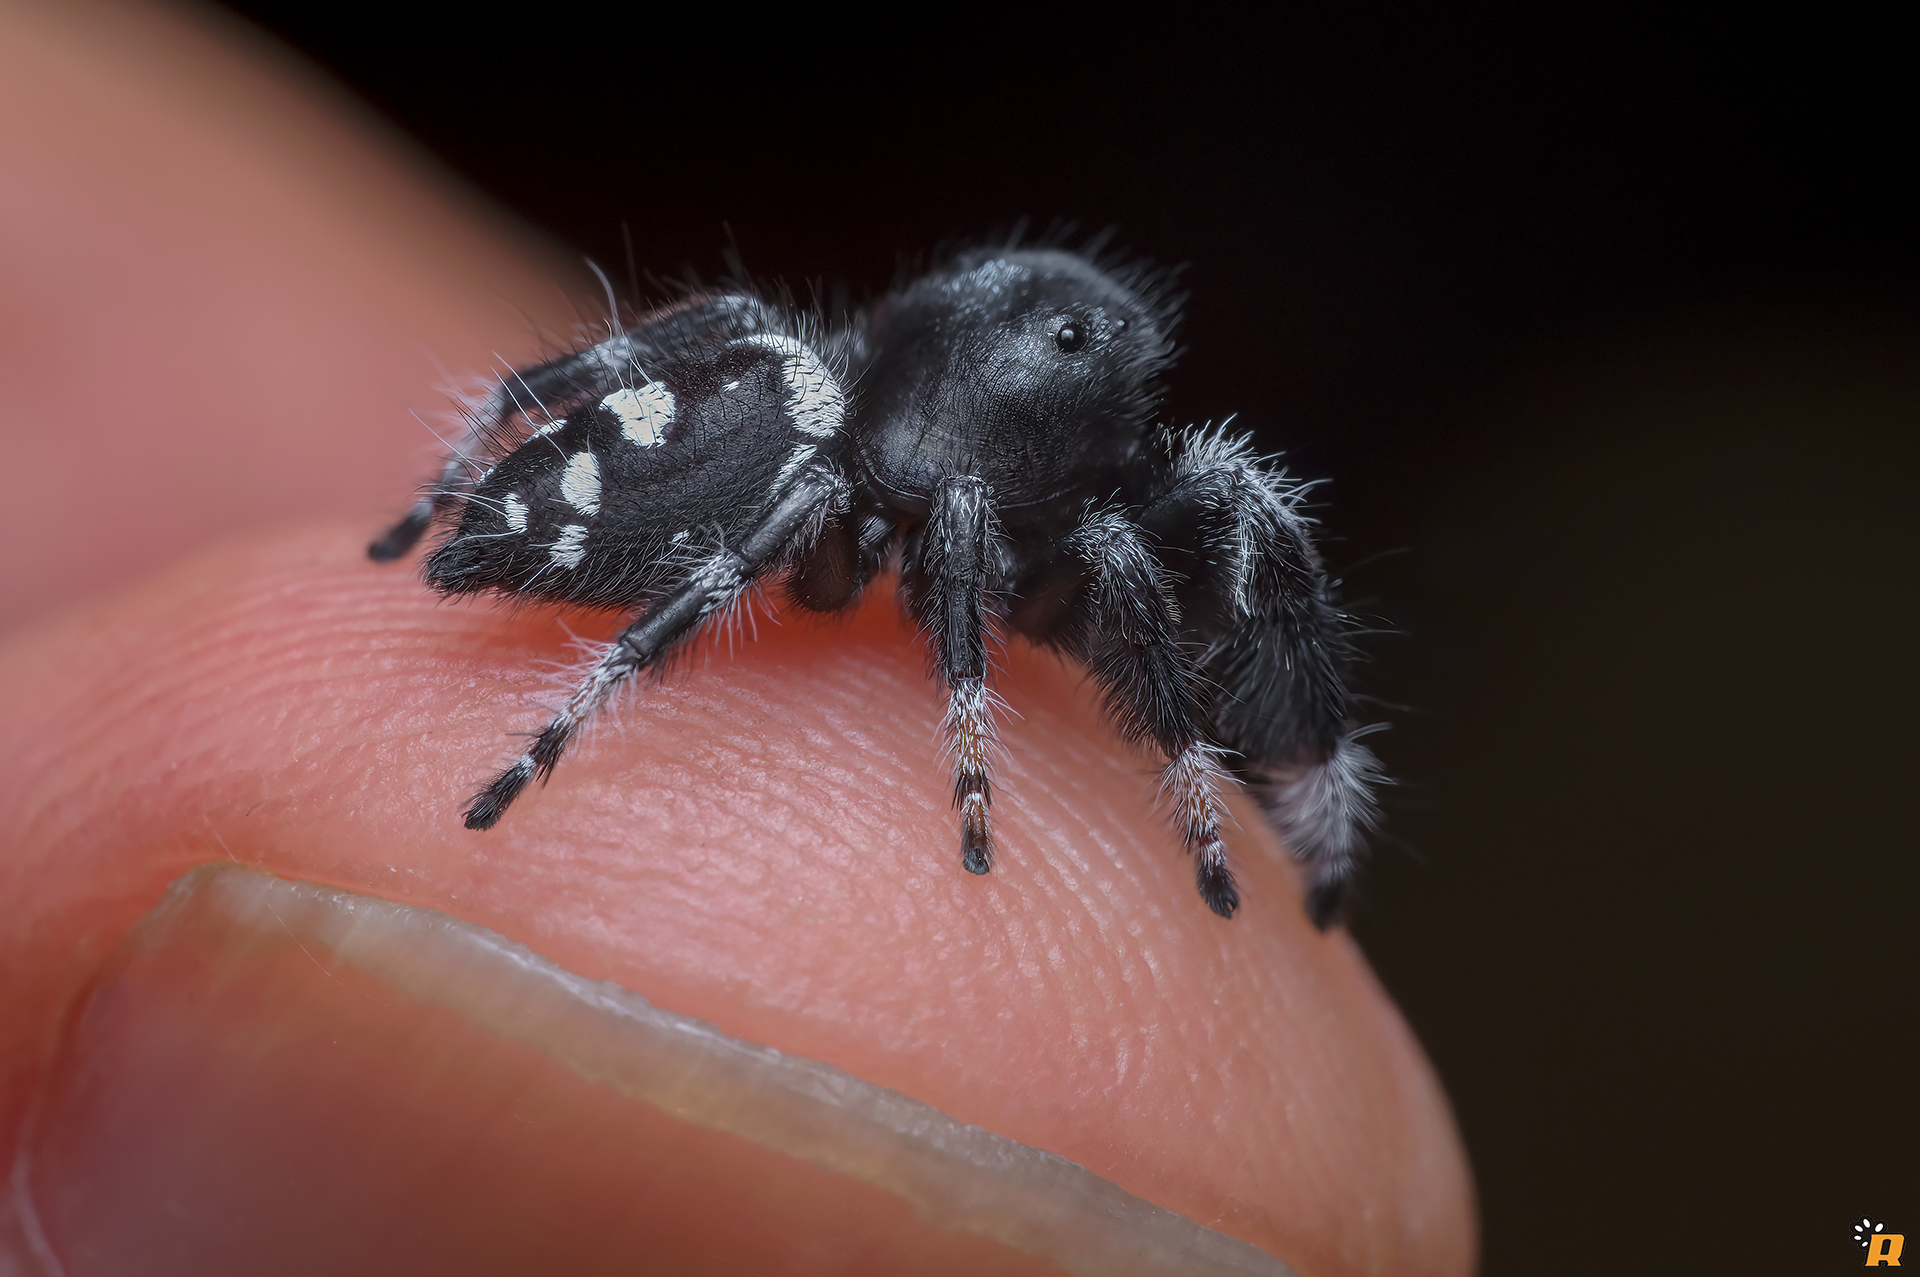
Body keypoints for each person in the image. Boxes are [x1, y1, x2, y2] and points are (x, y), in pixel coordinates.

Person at [0, 4, 1473, 1272]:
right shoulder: (838, 425)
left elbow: (1075, 533)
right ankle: (568, 685)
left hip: (785, 448)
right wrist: (964, 746)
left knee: (1078, 501)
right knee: (816, 446)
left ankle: (1247, 802)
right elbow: (911, 499)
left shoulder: (1059, 504)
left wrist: (1249, 807)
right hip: (691, 486)